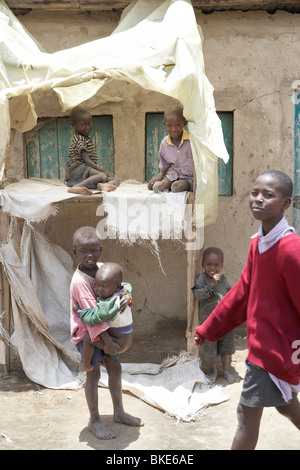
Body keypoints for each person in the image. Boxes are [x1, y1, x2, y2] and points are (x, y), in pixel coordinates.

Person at [194, 170, 300, 450]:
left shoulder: (290, 250)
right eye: (255, 193)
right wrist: (209, 329)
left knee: (246, 415)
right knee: (286, 405)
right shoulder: (259, 244)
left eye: (268, 195)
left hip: (275, 347)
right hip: (262, 343)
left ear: (286, 203)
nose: (258, 199)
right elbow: (242, 294)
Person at [70, 226, 142, 439]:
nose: (90, 256)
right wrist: (109, 341)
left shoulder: (103, 269)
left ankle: (118, 412)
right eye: (84, 252)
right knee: (93, 375)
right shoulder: (80, 281)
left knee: (116, 369)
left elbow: (121, 285)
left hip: (106, 331)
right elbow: (93, 318)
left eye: (94, 250)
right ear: (75, 253)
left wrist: (126, 295)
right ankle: (94, 420)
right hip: (89, 333)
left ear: (101, 249)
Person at [79, 262, 133, 373]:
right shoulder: (122, 291)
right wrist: (128, 295)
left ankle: (86, 365)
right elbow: (128, 285)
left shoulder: (108, 304)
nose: (99, 289)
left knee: (88, 339)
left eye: (104, 286)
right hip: (126, 339)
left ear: (117, 286)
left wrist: (80, 312)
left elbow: (92, 319)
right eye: (97, 284)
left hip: (116, 343)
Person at [192, 247, 235, 384]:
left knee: (226, 347)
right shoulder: (201, 279)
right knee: (211, 348)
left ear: (221, 265)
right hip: (209, 322)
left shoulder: (223, 279)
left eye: (216, 265)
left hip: (224, 321)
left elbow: (229, 294)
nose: (212, 268)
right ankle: (213, 371)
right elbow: (198, 295)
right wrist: (211, 285)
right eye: (208, 264)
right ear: (203, 265)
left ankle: (226, 370)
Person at [65, 106, 120, 195]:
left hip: (85, 172)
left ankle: (104, 186)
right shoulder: (79, 139)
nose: (87, 127)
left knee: (116, 179)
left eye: (89, 123)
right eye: (83, 124)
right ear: (73, 125)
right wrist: (104, 172)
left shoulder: (85, 138)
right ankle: (77, 187)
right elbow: (87, 161)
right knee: (102, 175)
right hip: (77, 170)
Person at [148, 105, 193, 193]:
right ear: (165, 124)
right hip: (174, 175)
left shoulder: (192, 141)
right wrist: (161, 176)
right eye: (169, 125)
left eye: (177, 125)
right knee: (156, 187)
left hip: (190, 179)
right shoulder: (165, 143)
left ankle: (172, 186)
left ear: (184, 123)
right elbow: (164, 164)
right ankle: (166, 185)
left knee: (176, 187)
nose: (173, 129)